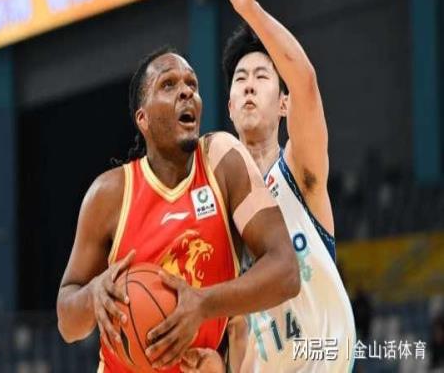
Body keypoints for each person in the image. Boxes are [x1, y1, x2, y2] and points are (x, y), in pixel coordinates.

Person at [56, 41, 301, 371]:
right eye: (168, 85)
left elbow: (286, 271)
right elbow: (67, 322)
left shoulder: (223, 164)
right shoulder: (109, 194)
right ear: (143, 118)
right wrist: (93, 295)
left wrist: (203, 304)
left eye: (192, 85)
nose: (187, 92)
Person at [181, 0, 356, 372]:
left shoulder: (299, 172)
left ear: (282, 104)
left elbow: (306, 82)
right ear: (229, 107)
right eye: (240, 80)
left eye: (261, 77)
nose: (248, 86)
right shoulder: (219, 215)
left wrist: (249, 9)